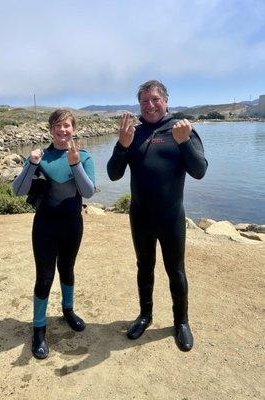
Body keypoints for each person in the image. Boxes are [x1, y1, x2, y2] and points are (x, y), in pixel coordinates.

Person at [107, 80, 208, 351]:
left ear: (165, 100)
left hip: (171, 217)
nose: (149, 105)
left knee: (175, 271)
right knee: (144, 267)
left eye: (154, 99)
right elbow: (113, 174)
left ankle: (181, 322)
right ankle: (145, 316)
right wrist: (122, 145)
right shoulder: (133, 132)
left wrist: (184, 142)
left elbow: (199, 171)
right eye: (143, 101)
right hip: (140, 216)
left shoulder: (180, 129)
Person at [13, 109, 95, 359]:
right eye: (58, 126)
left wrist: (75, 164)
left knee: (67, 270)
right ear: (51, 130)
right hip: (45, 226)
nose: (62, 130)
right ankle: (39, 328)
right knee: (45, 277)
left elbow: (89, 192)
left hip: (72, 225)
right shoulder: (41, 156)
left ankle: (67, 310)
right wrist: (32, 164)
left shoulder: (83, 156)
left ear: (74, 129)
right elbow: (18, 190)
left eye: (67, 126)